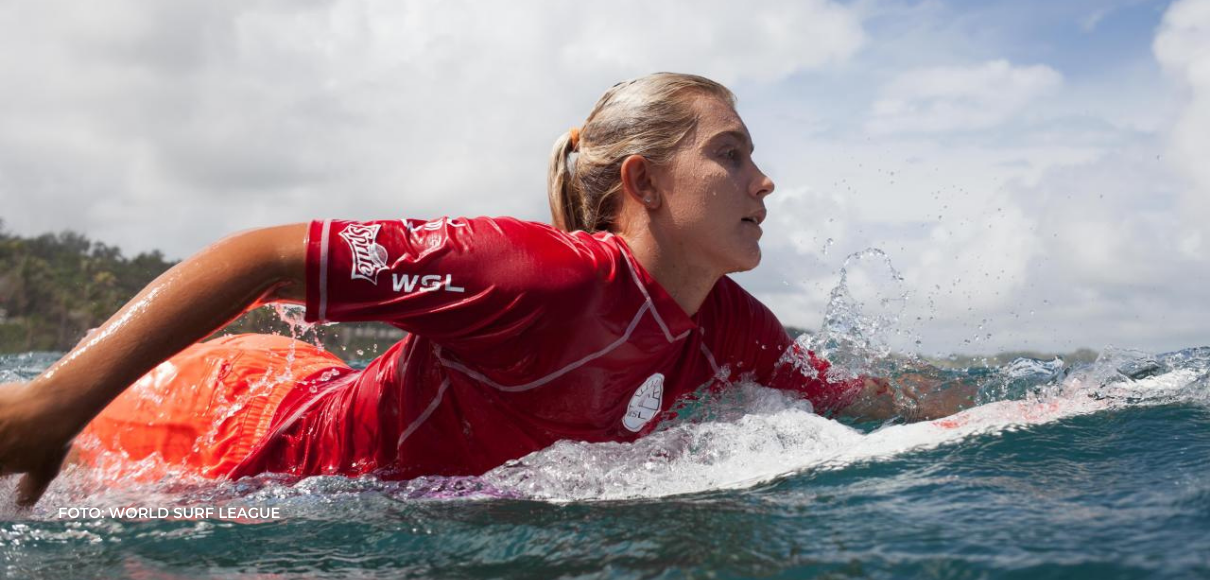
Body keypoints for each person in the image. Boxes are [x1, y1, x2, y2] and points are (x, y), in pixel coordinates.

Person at [0, 73, 971, 508]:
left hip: (306, 386)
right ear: (641, 184)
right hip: (220, 430)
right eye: (732, 154)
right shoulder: (529, 273)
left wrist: (1044, 412)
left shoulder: (728, 323)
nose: (765, 182)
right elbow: (259, 255)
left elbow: (854, 396)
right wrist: (53, 401)